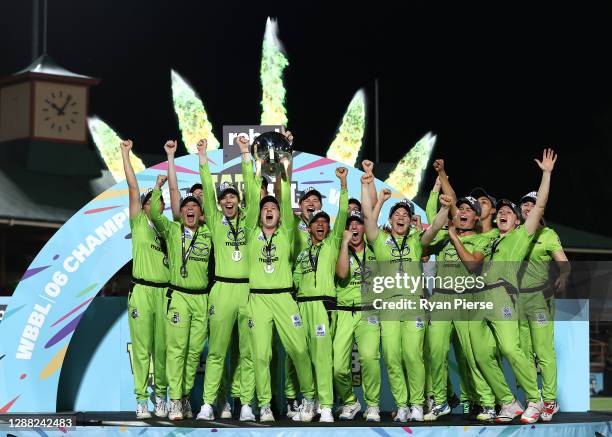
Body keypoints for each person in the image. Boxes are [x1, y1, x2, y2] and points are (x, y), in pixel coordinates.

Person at [469, 149, 558, 424]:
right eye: (502, 212)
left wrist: (546, 174)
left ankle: (535, 398)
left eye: (511, 212)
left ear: (519, 220)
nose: (505, 214)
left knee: (510, 349)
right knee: (479, 354)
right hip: (479, 298)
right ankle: (508, 402)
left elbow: (540, 207)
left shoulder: (521, 237)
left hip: (503, 296)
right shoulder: (491, 239)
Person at [361, 174, 451, 422]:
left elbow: (434, 227)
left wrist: (444, 207)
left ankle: (417, 404)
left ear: (411, 222)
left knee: (413, 355)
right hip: (389, 306)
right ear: (389, 221)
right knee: (392, 357)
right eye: (396, 215)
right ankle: (401, 404)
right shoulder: (379, 241)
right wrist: (378, 197)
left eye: (405, 216)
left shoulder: (415, 240)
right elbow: (368, 219)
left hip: (413, 306)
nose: (401, 218)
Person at [244, 153, 317, 423]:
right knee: (261, 355)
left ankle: (308, 398)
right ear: (259, 213)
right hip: (258, 300)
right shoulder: (251, 233)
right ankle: (264, 405)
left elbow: (283, 197)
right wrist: (257, 165)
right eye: (265, 208)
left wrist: (284, 171)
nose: (269, 209)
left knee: (299, 350)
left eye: (272, 207)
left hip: (285, 298)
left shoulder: (287, 232)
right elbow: (253, 197)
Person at [196, 137, 256, 422]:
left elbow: (254, 193)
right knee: (217, 351)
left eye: (232, 196)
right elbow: (207, 189)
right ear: (219, 204)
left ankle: (245, 403)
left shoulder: (249, 220)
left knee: (247, 351)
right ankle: (209, 402)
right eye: (224, 198)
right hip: (221, 289)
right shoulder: (215, 222)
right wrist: (203, 157)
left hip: (247, 290)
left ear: (238, 201)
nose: (228, 200)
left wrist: (246, 153)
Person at [423, 196, 497, 422]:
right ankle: (440, 401)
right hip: (441, 301)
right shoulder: (445, 237)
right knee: (435, 352)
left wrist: (454, 236)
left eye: (469, 209)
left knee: (471, 355)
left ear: (476, 217)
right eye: (461, 208)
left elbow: (474, 265)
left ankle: (487, 402)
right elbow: (422, 249)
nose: (463, 212)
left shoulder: (482, 240)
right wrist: (439, 224)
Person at [150, 168, 213, 421]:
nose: (189, 209)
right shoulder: (172, 230)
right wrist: (158, 187)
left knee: (194, 352)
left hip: (202, 298)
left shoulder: (210, 233)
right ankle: (174, 400)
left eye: (194, 206)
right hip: (178, 296)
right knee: (177, 349)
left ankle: (184, 396)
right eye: (186, 206)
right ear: (181, 212)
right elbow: (155, 212)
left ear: (201, 213)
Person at [292, 166, 349, 423]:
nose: (322, 226)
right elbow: (294, 278)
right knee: (302, 355)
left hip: (322, 305)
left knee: (322, 357)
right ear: (310, 227)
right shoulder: (303, 252)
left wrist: (344, 184)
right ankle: (310, 400)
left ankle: (326, 404)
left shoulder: (332, 244)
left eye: (325, 224)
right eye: (317, 223)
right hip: (300, 305)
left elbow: (344, 212)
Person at [121, 139, 170, 419]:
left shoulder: (169, 231)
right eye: (150, 201)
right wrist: (126, 154)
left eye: (159, 202)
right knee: (141, 350)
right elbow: (132, 186)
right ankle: (141, 400)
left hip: (164, 294)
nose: (155, 204)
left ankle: (160, 397)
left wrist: (162, 189)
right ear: (143, 206)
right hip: (141, 291)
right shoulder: (138, 223)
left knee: (162, 350)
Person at [518, 191, 570, 421]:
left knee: (544, 352)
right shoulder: (516, 234)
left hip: (540, 298)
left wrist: (563, 277)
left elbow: (564, 264)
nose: (527, 208)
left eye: (532, 204)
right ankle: (533, 399)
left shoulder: (548, 234)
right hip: (517, 301)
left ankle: (550, 400)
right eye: (524, 205)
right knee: (525, 353)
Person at [334, 210, 381, 422]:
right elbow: (342, 274)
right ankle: (350, 401)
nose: (354, 227)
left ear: (364, 228)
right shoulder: (338, 249)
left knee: (370, 358)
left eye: (358, 224)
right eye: (350, 224)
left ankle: (372, 405)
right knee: (337, 367)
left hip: (369, 311)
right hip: (344, 312)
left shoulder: (374, 249)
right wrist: (344, 244)